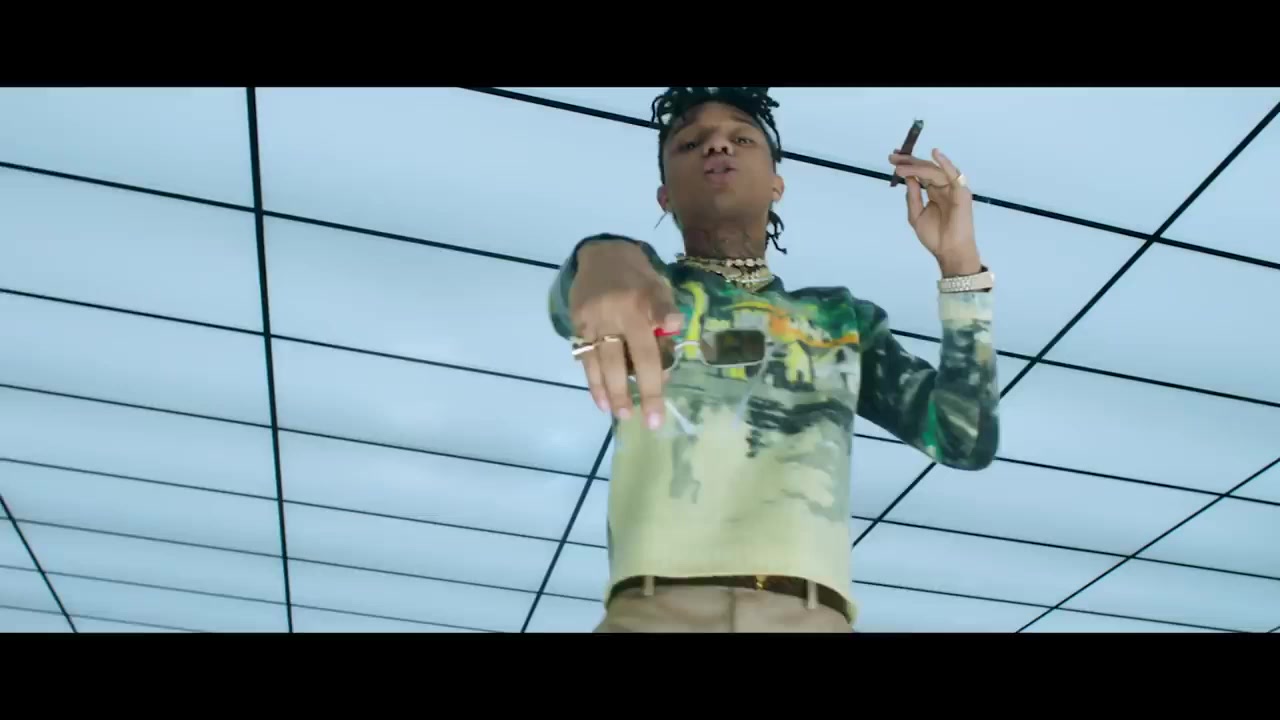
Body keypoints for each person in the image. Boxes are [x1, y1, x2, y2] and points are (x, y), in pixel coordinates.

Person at [547, 87, 999, 633]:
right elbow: (579, 298)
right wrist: (601, 254)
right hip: (652, 613)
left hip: (809, 617)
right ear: (664, 197)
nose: (717, 146)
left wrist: (960, 264)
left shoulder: (839, 319)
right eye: (690, 143)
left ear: (777, 185)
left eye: (741, 138)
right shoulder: (646, 293)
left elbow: (964, 438)